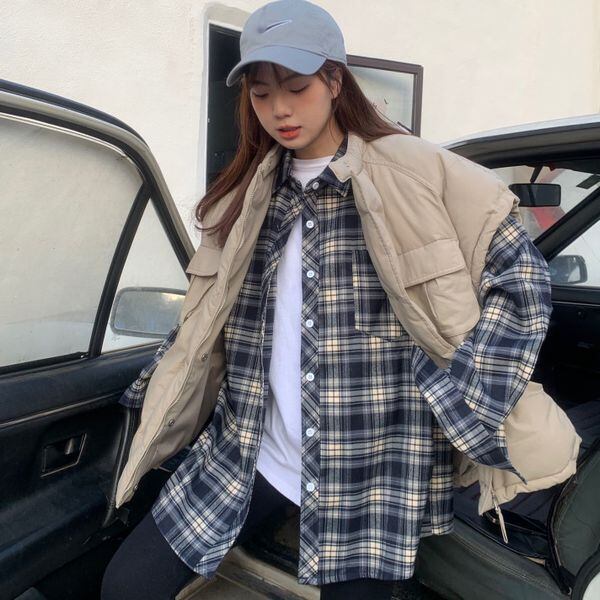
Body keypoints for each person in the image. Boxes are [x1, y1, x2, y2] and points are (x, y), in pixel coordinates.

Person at [102, 0, 557, 598]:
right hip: (250, 449)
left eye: (297, 87)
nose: (280, 109)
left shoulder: (420, 174)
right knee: (127, 585)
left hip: (370, 470)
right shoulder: (243, 197)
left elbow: (523, 284)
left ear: (335, 81)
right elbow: (207, 317)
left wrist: (464, 397)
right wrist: (158, 390)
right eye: (262, 94)